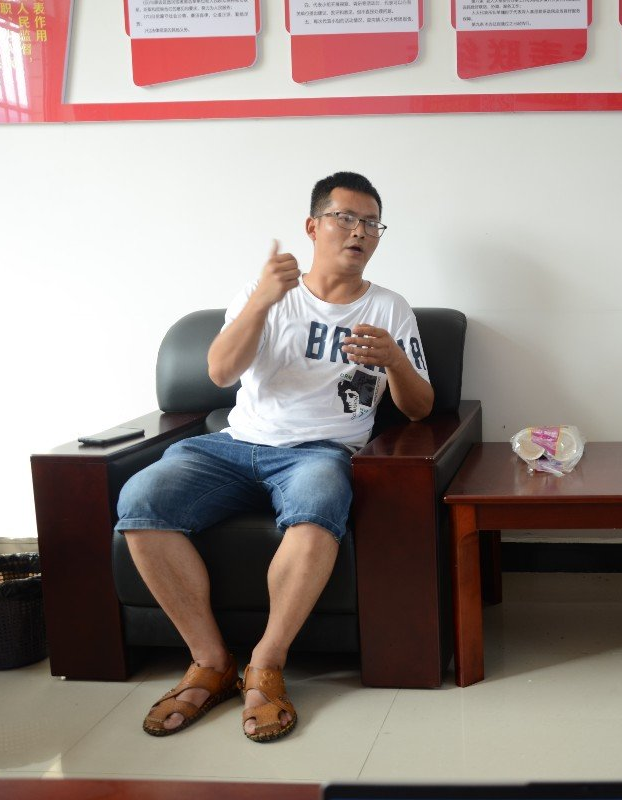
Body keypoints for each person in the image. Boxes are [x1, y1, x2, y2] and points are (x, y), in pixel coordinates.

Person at [115, 171, 434, 742]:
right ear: (313, 226)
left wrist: (395, 362)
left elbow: (419, 409)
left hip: (321, 452)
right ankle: (211, 662)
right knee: (141, 499)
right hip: (236, 444)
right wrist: (263, 299)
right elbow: (220, 372)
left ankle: (265, 663)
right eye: (345, 218)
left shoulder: (390, 309)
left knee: (320, 504)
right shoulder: (264, 292)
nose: (359, 232)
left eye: (371, 223)